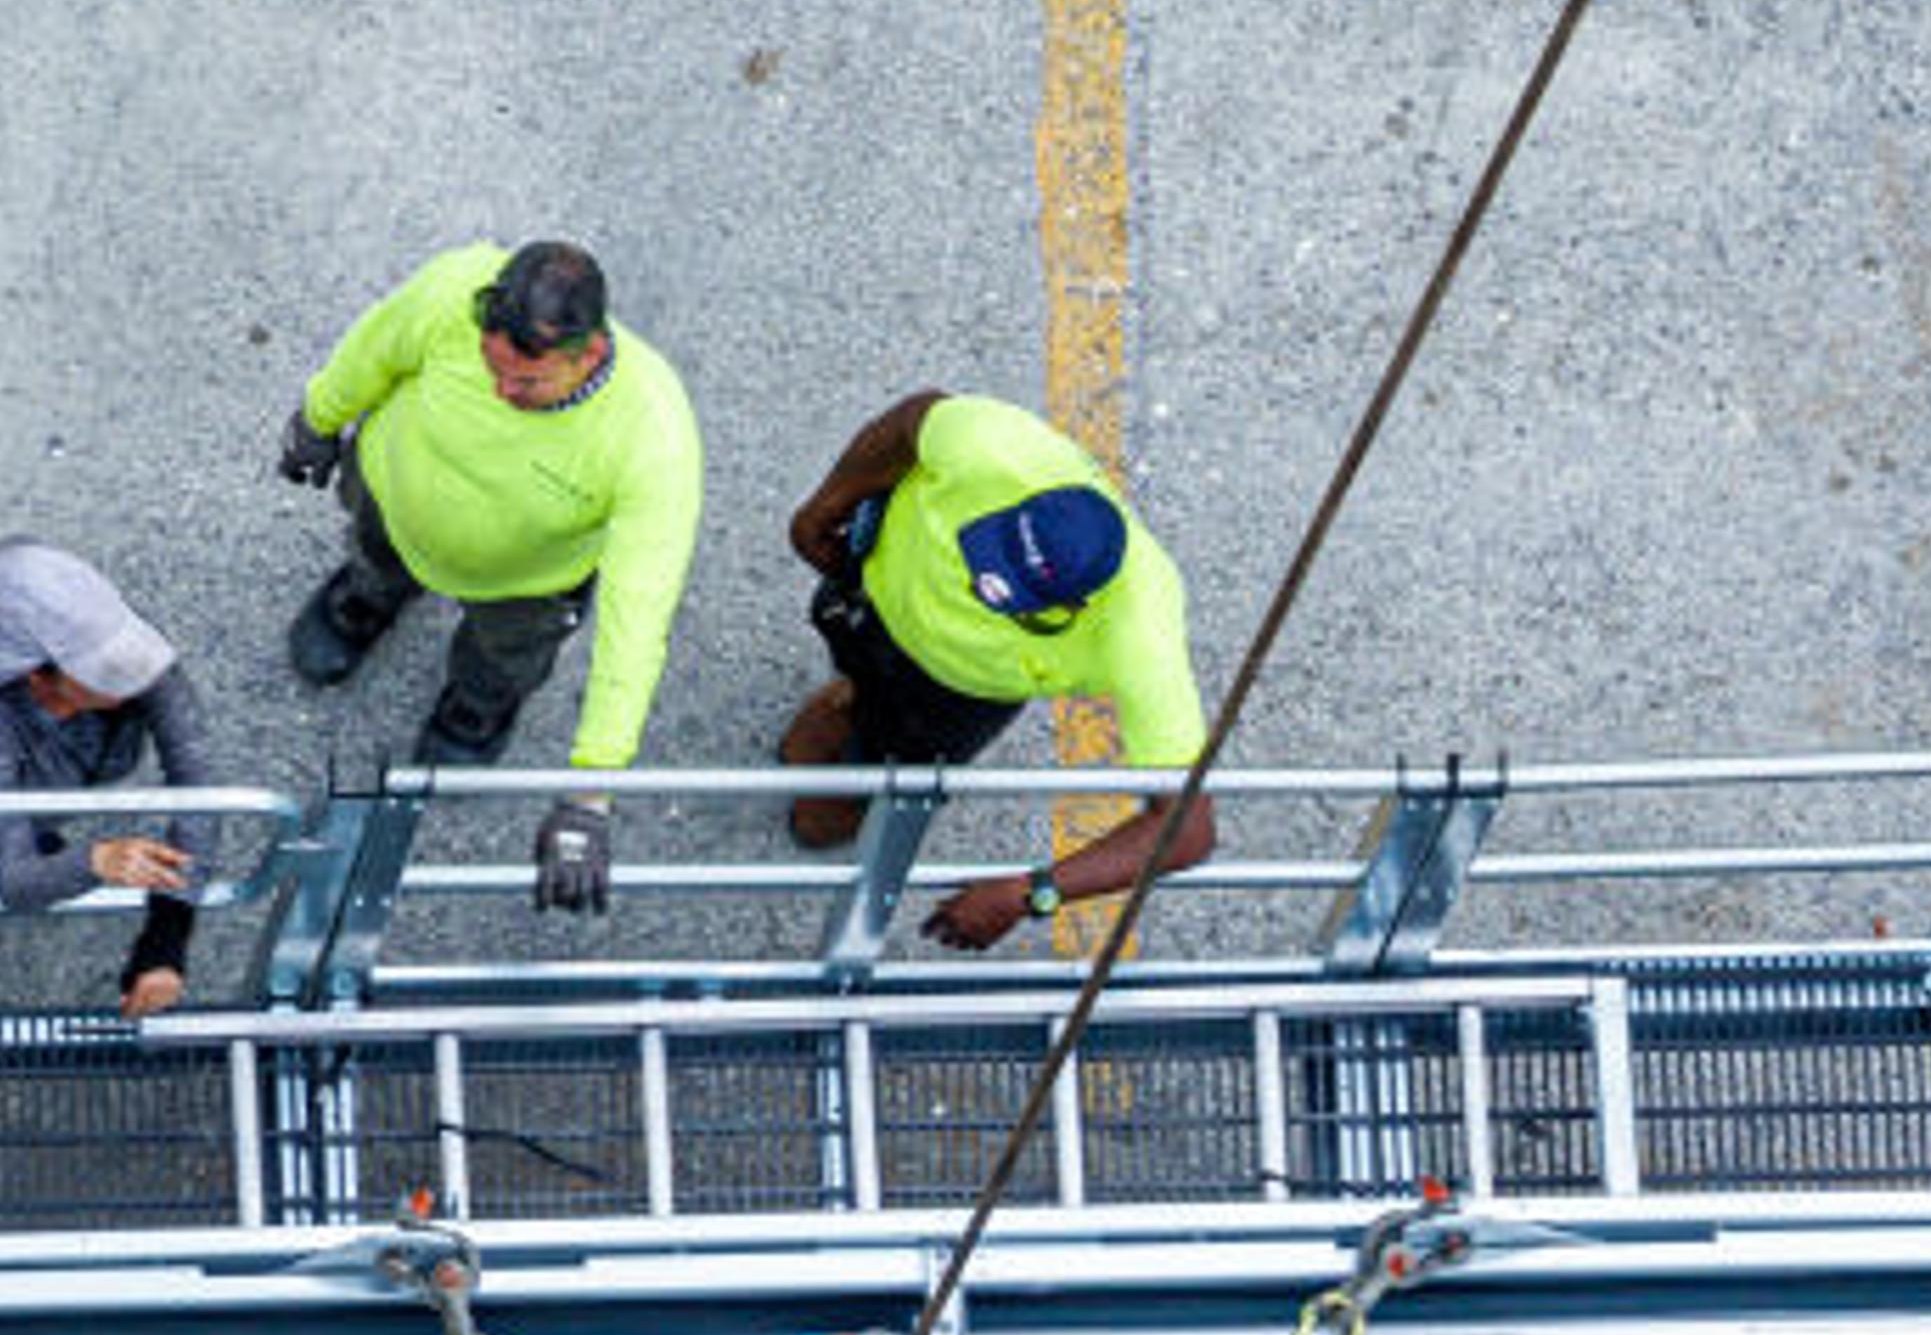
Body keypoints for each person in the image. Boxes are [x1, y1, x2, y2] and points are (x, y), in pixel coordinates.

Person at [276, 240, 705, 909]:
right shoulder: (456, 287)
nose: (503, 393)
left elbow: (638, 622)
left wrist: (591, 792)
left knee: (508, 655)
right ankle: (365, 598)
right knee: (373, 554)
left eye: (527, 383)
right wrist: (318, 417)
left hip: (524, 585)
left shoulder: (653, 435)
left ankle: (478, 706)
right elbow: (376, 348)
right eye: (491, 368)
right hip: (392, 496)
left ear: (588, 355)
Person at [777, 389, 1212, 950]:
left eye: (1004, 595)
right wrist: (824, 507)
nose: (976, 591)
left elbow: (1188, 829)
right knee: (858, 673)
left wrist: (1029, 893)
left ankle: (856, 777)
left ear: (1079, 606)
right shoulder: (993, 447)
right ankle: (855, 698)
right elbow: (912, 421)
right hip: (868, 600)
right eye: (989, 558)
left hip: (955, 697)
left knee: (854, 789)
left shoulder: (1142, 633)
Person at [0, 538, 219, 1017]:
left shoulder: (130, 654)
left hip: (58, 773)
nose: (137, 678)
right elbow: (11, 884)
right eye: (104, 673)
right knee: (22, 842)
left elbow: (198, 783)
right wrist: (94, 862)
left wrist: (166, 938)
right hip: (29, 782)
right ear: (37, 677)